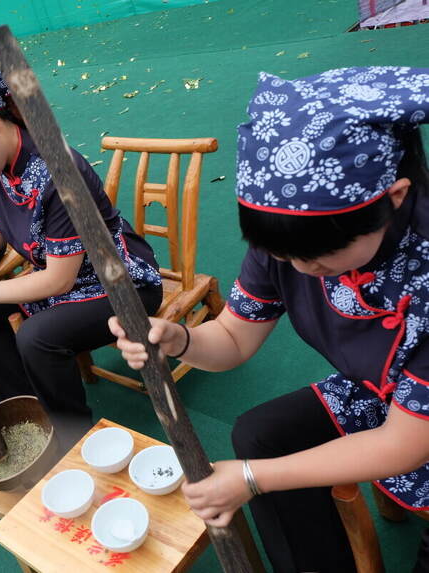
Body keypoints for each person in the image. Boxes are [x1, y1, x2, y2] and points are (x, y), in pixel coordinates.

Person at [110, 66, 429, 572]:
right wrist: (179, 340)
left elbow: (406, 444)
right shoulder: (287, 242)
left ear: (393, 198)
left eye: (322, 255)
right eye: (288, 256)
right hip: (376, 393)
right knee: (260, 435)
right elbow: (234, 339)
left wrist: (253, 479)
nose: (304, 270)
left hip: (416, 430)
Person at [0, 65, 163, 446]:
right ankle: (28, 412)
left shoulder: (58, 170)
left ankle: (75, 437)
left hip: (120, 281)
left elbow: (59, 280)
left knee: (37, 338)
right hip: (64, 280)